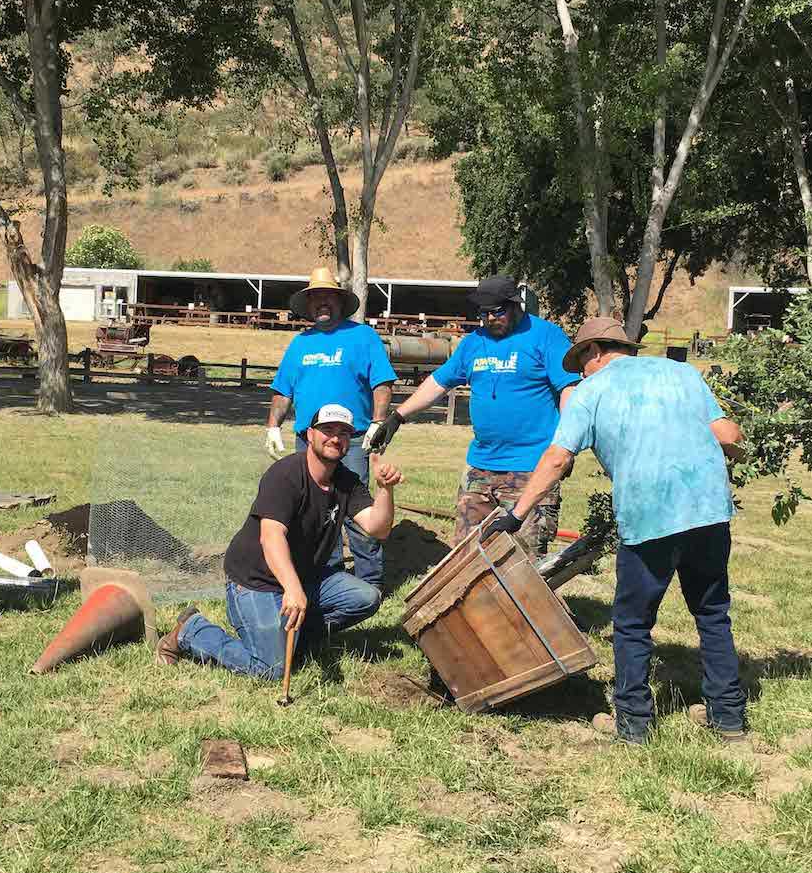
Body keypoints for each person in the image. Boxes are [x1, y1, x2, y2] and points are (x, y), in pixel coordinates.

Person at [483, 317, 746, 746]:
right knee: (712, 613)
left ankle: (634, 725)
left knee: (632, 623)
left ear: (594, 352)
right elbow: (728, 434)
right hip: (709, 511)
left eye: (581, 364)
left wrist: (516, 514)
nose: (581, 373)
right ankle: (729, 720)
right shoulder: (682, 373)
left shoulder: (591, 391)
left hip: (649, 516)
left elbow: (557, 458)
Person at [159, 404, 402, 679]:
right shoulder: (286, 475)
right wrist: (292, 588)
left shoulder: (346, 480)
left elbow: (378, 529)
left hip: (306, 576)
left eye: (344, 432)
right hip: (257, 581)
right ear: (310, 434)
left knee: (365, 598)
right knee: (270, 669)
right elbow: (271, 536)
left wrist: (385, 490)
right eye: (328, 430)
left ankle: (293, 640)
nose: (336, 438)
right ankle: (191, 630)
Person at [363, 275, 579, 554]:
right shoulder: (473, 343)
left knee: (522, 562)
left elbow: (569, 388)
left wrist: (566, 445)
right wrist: (397, 417)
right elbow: (439, 382)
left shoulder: (546, 336)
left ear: (515, 305)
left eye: (497, 312)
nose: (489, 319)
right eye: (483, 313)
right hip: (480, 468)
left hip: (531, 467)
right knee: (466, 556)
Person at [266, 268, 397, 585]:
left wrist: (378, 422)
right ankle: (329, 576)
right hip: (309, 441)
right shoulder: (300, 344)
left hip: (351, 441)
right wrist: (272, 427)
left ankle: (369, 581)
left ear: (340, 301)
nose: (321, 303)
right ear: (308, 305)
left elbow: (382, 383)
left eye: (328, 296)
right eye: (315, 298)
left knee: (355, 506)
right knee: (317, 509)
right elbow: (283, 391)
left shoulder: (363, 337)